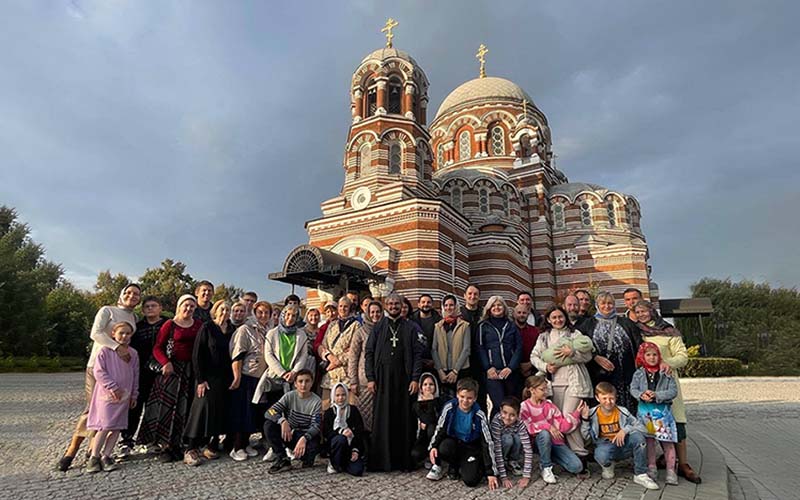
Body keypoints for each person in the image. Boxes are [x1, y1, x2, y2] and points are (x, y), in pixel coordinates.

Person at [59, 283, 141, 471]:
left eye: (136, 294)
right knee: (93, 410)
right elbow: (95, 333)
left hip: (120, 369)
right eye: (128, 292)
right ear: (121, 294)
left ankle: (94, 453)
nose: (132, 295)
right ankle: (71, 451)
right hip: (99, 363)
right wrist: (116, 347)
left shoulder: (133, 317)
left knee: (112, 415)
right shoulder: (107, 310)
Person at [633, 300, 701, 484]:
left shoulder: (667, 330)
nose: (641, 314)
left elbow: (683, 356)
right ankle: (656, 462)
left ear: (651, 311)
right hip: (646, 386)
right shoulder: (636, 330)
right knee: (650, 429)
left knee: (676, 424)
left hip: (666, 382)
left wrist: (666, 362)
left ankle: (683, 463)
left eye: (644, 310)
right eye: (637, 312)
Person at [138, 294, 202, 462]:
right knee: (167, 407)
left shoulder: (198, 325)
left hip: (190, 370)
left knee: (185, 407)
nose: (188, 309)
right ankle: (165, 446)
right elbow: (157, 348)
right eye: (185, 306)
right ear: (179, 306)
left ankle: (180, 444)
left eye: (192, 307)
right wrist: (165, 363)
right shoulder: (170, 324)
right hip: (172, 369)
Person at [365, 293, 424, 472]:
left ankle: (402, 461)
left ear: (401, 306)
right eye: (390, 303)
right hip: (382, 380)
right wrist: (370, 378)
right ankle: (383, 461)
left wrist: (415, 378)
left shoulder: (410, 327)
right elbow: (369, 353)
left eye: (396, 303)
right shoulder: (378, 327)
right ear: (385, 305)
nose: (393, 306)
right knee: (383, 419)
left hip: (404, 379)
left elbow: (417, 355)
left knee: (404, 418)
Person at [529, 306, 594, 465]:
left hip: (575, 382)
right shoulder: (544, 337)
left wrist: (572, 353)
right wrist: (545, 367)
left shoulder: (574, 334)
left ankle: (580, 454)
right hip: (553, 383)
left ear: (565, 317)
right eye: (554, 317)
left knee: (569, 417)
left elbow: (588, 355)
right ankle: (567, 457)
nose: (558, 320)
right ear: (549, 320)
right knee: (558, 421)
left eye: (560, 317)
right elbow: (534, 356)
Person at [182, 300, 235, 466]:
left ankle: (211, 444)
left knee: (221, 410)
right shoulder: (207, 327)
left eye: (228, 309)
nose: (225, 312)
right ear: (215, 310)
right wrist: (200, 380)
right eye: (222, 309)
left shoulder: (232, 329)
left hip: (226, 377)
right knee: (202, 409)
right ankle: (191, 448)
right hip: (208, 377)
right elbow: (197, 355)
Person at [580, 382, 659, 490]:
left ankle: (640, 474)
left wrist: (625, 430)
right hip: (605, 445)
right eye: (604, 398)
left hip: (623, 444)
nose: (608, 402)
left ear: (616, 398)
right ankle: (608, 465)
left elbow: (642, 427)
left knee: (638, 437)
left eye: (611, 398)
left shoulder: (622, 411)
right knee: (602, 456)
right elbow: (586, 437)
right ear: (597, 398)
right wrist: (585, 420)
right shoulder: (592, 413)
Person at [85, 320, 139, 473]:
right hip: (107, 396)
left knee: (117, 427)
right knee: (104, 425)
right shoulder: (105, 351)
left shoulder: (133, 353)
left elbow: (136, 374)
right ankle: (94, 456)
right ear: (113, 334)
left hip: (125, 395)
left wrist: (134, 394)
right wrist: (112, 387)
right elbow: (99, 372)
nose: (124, 336)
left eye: (128, 333)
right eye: (121, 333)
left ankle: (107, 455)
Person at [426, 378, 499, 489]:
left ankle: (476, 465)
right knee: (444, 447)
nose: (465, 401)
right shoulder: (449, 408)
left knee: (471, 481)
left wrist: (491, 472)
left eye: (469, 398)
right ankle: (453, 465)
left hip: (471, 447)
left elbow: (487, 442)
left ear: (475, 398)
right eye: (462, 397)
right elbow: (440, 428)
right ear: (457, 395)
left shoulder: (479, 415)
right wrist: (433, 446)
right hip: (454, 442)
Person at [119, 294, 165, 455]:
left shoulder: (167, 324)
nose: (150, 309)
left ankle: (151, 439)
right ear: (143, 310)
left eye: (154, 306)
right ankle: (126, 440)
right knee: (135, 406)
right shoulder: (138, 327)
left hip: (161, 372)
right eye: (147, 306)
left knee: (156, 407)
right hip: (140, 371)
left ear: (160, 308)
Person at [519, 375, 585, 484]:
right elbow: (529, 428)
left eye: (546, 389)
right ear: (532, 390)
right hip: (537, 441)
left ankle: (547, 456)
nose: (545, 392)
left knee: (576, 467)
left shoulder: (549, 405)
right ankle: (546, 467)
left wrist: (577, 413)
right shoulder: (524, 406)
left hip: (555, 442)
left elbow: (562, 426)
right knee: (545, 434)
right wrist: (548, 426)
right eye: (542, 389)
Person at [629, 342, 679, 485]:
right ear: (643, 356)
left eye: (655, 354)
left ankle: (671, 471)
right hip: (646, 414)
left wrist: (657, 395)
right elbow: (633, 388)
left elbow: (673, 391)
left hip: (663, 414)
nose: (652, 358)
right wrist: (641, 394)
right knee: (649, 441)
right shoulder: (639, 373)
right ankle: (652, 467)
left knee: (667, 442)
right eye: (648, 355)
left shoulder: (666, 373)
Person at [582, 291, 640, 412]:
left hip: (625, 376)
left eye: (610, 303)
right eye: (603, 303)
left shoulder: (626, 323)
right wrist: (595, 357)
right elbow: (581, 347)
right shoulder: (587, 324)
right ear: (597, 305)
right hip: (599, 375)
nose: (606, 306)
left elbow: (638, 345)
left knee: (626, 410)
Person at [228, 300, 271, 461]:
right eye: (260, 312)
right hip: (247, 375)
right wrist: (237, 376)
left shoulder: (267, 330)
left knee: (253, 412)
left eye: (266, 313)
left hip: (260, 377)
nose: (263, 315)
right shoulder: (245, 329)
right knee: (243, 411)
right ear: (254, 313)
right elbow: (237, 354)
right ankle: (237, 447)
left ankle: (246, 443)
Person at [254, 304, 310, 415]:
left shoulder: (301, 335)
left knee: (289, 412)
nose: (290, 318)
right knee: (272, 412)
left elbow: (303, 356)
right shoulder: (272, 333)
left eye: (294, 316)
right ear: (283, 315)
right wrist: (282, 373)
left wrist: (294, 372)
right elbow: (268, 355)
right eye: (288, 315)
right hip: (274, 378)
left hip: (292, 380)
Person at [264, 369, 323, 473]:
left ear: (312, 383)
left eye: (307, 381)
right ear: (295, 384)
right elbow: (270, 411)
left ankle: (306, 457)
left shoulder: (317, 401)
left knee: (312, 448)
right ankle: (282, 458)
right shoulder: (289, 396)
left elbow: (316, 426)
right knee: (269, 425)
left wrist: (304, 438)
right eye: (300, 381)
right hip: (290, 433)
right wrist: (282, 421)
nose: (303, 384)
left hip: (305, 436)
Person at [478, 296, 522, 417]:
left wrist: (510, 367)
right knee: (498, 405)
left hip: (509, 372)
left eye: (499, 305)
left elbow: (518, 348)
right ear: (489, 308)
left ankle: (510, 433)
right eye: (493, 305)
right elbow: (480, 348)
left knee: (511, 406)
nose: (496, 308)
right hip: (493, 373)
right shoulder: (483, 326)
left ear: (504, 308)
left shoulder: (511, 325)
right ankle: (494, 434)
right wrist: (488, 368)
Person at [317, 297, 360, 409]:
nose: (342, 308)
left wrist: (338, 361)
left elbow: (355, 349)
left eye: (345, 306)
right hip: (330, 375)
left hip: (346, 375)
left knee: (349, 408)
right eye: (340, 306)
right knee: (326, 408)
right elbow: (323, 344)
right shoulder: (332, 325)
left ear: (350, 307)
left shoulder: (356, 325)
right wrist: (330, 357)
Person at [348, 300, 382, 436]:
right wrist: (353, 381)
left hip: (381, 381)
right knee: (363, 419)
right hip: (363, 382)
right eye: (372, 312)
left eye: (378, 312)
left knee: (379, 418)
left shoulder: (385, 330)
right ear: (367, 313)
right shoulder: (360, 332)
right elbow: (353, 357)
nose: (375, 315)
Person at [431, 295, 471, 400]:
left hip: (460, 370)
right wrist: (439, 370)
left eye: (451, 305)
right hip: (443, 372)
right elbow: (434, 349)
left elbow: (466, 349)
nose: (449, 308)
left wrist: (455, 371)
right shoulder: (438, 326)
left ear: (456, 306)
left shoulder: (465, 326)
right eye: (446, 305)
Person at [323, 382, 366, 476]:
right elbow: (327, 433)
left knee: (357, 471)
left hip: (350, 448)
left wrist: (356, 450)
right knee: (341, 439)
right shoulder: (329, 412)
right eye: (337, 395)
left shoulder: (353, 410)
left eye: (343, 395)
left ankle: (344, 464)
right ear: (333, 396)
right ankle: (334, 463)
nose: (340, 398)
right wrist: (341, 431)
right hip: (336, 446)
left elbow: (359, 431)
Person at [490, 397, 533, 489]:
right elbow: (496, 449)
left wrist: (526, 476)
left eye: (512, 415)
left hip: (513, 445)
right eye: (504, 413)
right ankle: (502, 464)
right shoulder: (496, 421)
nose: (507, 417)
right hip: (501, 448)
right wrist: (503, 477)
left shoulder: (520, 423)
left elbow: (528, 448)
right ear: (501, 410)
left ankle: (512, 461)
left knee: (518, 438)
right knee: (508, 438)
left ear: (518, 415)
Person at [461, 284, 487, 413]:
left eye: (475, 294)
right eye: (470, 294)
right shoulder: (459, 314)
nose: (472, 296)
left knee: (481, 396)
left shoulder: (484, 314)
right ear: (464, 296)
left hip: (481, 361)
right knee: (463, 395)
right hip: (463, 361)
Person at [410, 372, 442, 468]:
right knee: (415, 454)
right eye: (425, 384)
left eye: (431, 384)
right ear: (421, 388)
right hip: (422, 438)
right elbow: (424, 418)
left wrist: (430, 402)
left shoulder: (439, 401)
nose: (428, 387)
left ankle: (435, 459)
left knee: (431, 427)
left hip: (436, 437)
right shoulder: (416, 404)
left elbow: (431, 419)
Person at [409, 294, 441, 371]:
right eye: (423, 302)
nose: (426, 304)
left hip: (434, 362)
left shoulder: (439, 321)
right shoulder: (411, 321)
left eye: (428, 302)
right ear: (419, 304)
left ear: (432, 305)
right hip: (415, 362)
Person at [514, 304, 540, 378]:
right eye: (519, 312)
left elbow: (541, 349)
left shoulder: (535, 331)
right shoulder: (508, 330)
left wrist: (530, 364)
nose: (521, 315)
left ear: (528, 314)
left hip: (532, 369)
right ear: (514, 314)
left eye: (524, 313)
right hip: (513, 371)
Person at [303, 307, 321, 372]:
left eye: (316, 315)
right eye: (311, 315)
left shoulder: (322, 331)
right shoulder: (301, 331)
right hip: (305, 362)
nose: (313, 318)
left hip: (319, 362)